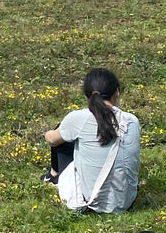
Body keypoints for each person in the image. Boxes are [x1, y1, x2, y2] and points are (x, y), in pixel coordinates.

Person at [42, 68, 140, 214]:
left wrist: (48, 132)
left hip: (91, 202)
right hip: (126, 202)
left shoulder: (79, 118)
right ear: (117, 93)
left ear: (87, 96)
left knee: (62, 132)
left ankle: (54, 175)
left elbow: (51, 140)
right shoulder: (132, 120)